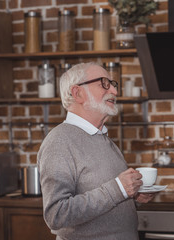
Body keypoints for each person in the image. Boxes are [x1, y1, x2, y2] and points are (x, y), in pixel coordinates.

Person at [38, 62, 155, 240]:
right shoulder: (59, 141)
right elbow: (57, 214)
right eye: (103, 84)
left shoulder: (103, 138)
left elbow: (108, 199)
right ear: (77, 93)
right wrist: (119, 189)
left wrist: (132, 196)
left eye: (113, 85)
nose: (115, 92)